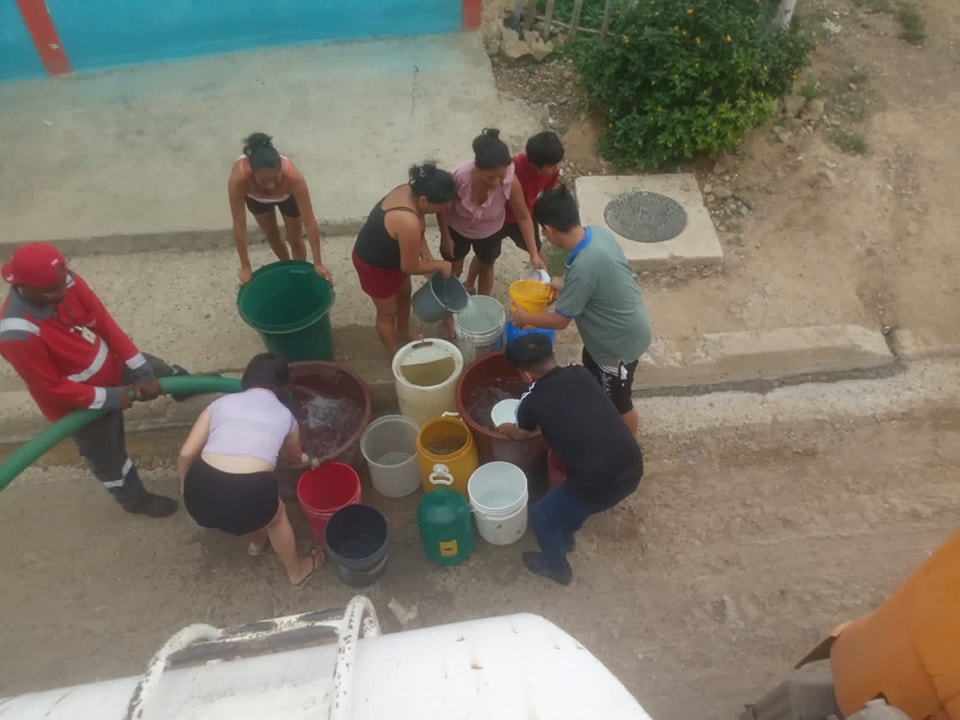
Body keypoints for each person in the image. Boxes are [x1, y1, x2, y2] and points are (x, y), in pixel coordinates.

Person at [0, 242, 185, 517]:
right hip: (80, 404)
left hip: (112, 367)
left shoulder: (66, 283)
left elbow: (104, 323)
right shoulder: (17, 334)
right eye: (51, 290)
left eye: (62, 282)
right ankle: (135, 501)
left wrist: (142, 373)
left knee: (156, 368)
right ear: (24, 288)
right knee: (109, 458)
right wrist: (109, 397)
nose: (62, 293)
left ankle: (185, 386)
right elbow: (50, 386)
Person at [498, 333, 643, 586]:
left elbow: (522, 434)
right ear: (552, 355)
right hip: (631, 464)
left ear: (525, 375)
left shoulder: (531, 402)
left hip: (597, 483)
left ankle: (557, 569)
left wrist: (505, 428)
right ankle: (565, 535)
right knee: (574, 505)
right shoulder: (580, 373)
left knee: (541, 516)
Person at [510, 185, 651, 437]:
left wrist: (524, 318)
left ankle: (630, 446)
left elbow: (560, 321)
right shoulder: (597, 235)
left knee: (620, 402)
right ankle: (601, 421)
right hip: (606, 337)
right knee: (595, 378)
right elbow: (598, 284)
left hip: (617, 346)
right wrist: (567, 290)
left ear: (548, 230)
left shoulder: (584, 267)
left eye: (543, 231)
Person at [178, 353, 322, 589]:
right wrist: (311, 457)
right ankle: (297, 572)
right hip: (248, 495)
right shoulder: (286, 417)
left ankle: (256, 543)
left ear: (246, 379)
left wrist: (185, 485)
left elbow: (186, 454)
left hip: (199, 493)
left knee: (242, 501)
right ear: (282, 386)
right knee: (276, 516)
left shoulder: (219, 404)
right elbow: (294, 458)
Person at [353, 163, 455, 357]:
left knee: (405, 292)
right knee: (387, 313)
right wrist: (440, 265)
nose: (444, 209)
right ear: (424, 199)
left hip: (394, 256)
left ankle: (403, 329)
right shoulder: (407, 220)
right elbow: (409, 266)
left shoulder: (412, 190)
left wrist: (426, 254)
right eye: (441, 205)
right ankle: (395, 355)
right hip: (374, 265)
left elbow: (417, 233)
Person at [438, 128, 545, 301]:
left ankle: (483, 305)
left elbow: (524, 217)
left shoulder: (510, 181)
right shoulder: (458, 175)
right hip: (457, 230)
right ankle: (450, 305)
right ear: (477, 168)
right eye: (489, 177)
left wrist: (534, 253)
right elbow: (442, 207)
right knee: (454, 269)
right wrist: (445, 236)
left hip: (490, 233)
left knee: (486, 268)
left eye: (500, 176)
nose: (496, 182)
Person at [463, 131, 564, 293]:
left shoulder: (553, 170)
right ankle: (470, 286)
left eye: (557, 163)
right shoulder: (511, 169)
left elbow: (547, 193)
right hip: (496, 219)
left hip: (524, 217)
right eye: (552, 165)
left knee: (537, 251)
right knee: (485, 259)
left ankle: (546, 286)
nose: (557, 167)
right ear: (535, 165)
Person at [228, 132, 331, 286]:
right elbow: (239, 226)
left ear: (281, 170)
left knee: (294, 238)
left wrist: (318, 263)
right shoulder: (239, 180)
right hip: (257, 199)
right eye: (264, 181)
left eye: (276, 179)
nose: (271, 186)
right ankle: (286, 266)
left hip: (287, 197)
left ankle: (298, 270)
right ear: (252, 173)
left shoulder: (294, 178)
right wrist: (245, 266)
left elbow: (309, 222)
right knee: (272, 237)